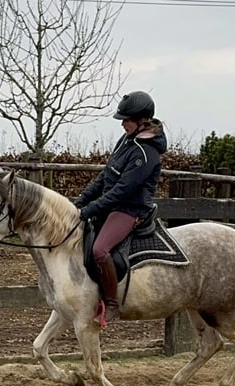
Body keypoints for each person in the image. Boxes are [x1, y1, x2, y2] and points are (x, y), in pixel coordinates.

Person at [74, 90, 168, 326]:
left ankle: (112, 303)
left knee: (99, 250)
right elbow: (106, 176)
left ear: (141, 121)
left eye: (126, 120)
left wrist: (89, 210)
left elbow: (121, 192)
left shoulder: (145, 154)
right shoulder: (127, 141)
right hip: (114, 204)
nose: (122, 124)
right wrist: (80, 201)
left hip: (129, 210)